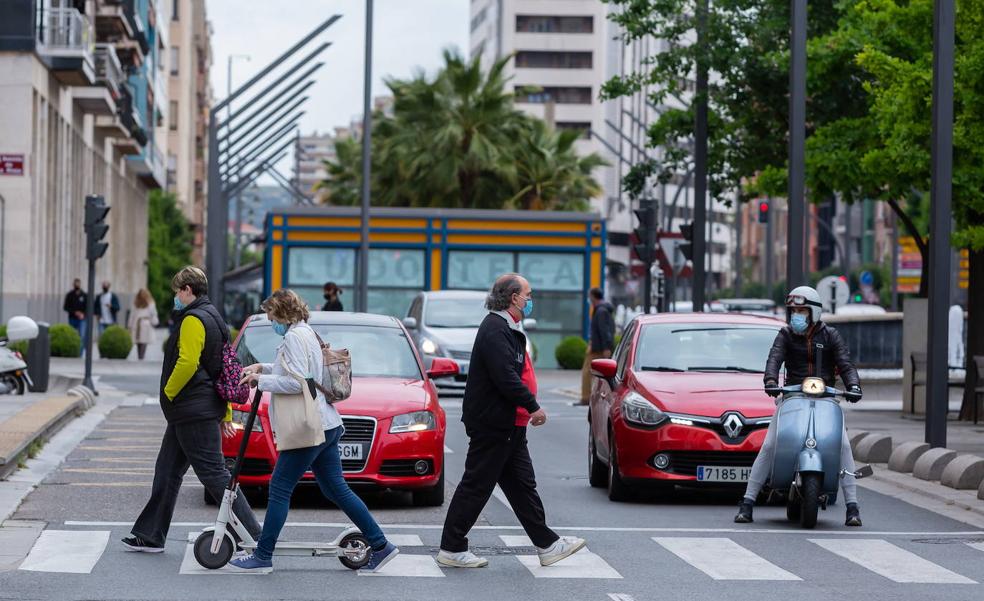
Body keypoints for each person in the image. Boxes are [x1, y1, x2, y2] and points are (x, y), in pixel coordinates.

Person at [230, 289, 398, 573]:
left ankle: (263, 555)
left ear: (282, 313)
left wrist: (261, 380)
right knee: (336, 489)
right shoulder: (306, 332)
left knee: (280, 488)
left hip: (309, 426)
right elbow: (298, 372)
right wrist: (264, 367)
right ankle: (381, 545)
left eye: (272, 315)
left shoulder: (295, 337)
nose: (271, 321)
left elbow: (297, 384)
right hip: (327, 423)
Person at [437, 273, 586, 568]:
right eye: (528, 295)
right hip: (494, 423)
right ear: (513, 297)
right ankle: (452, 548)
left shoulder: (507, 327)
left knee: (521, 485)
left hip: (509, 424)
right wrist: (533, 406)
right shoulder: (495, 329)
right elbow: (505, 377)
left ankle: (547, 544)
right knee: (476, 485)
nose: (531, 300)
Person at [122, 266, 262, 552]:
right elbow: (221, 370)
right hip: (193, 410)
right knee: (167, 470)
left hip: (191, 409)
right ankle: (151, 535)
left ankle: (256, 536)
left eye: (178, 290)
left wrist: (168, 392)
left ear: (188, 290)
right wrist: (224, 412)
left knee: (214, 474)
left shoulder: (193, 319)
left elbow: (187, 362)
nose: (176, 295)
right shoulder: (215, 317)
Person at [734, 285, 864, 527]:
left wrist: (853, 385)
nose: (797, 315)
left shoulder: (831, 335)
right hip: (791, 396)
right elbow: (774, 358)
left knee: (843, 445)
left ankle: (853, 507)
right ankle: (747, 502)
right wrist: (771, 380)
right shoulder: (785, 335)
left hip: (826, 398)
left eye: (802, 311)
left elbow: (845, 363)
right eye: (793, 310)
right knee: (771, 444)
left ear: (814, 312)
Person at [580, 288, 615, 405]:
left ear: (594, 296)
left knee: (587, 372)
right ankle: (590, 397)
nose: (589, 299)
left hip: (599, 348)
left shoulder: (601, 311)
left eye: (590, 296)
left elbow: (604, 331)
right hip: (597, 346)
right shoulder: (602, 309)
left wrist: (606, 348)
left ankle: (586, 398)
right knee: (595, 374)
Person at [127, 289, 159, 360]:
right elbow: (153, 314)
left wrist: (130, 326)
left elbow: (132, 316)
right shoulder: (149, 303)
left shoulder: (139, 303)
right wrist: (155, 322)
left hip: (139, 323)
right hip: (144, 323)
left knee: (140, 341)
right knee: (143, 341)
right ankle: (141, 357)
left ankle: (140, 356)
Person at [63, 278, 87, 350]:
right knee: (72, 335)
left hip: (82, 319)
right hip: (72, 318)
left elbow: (88, 307)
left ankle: (80, 352)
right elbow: (66, 307)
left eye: (78, 283)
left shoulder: (84, 295)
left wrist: (83, 314)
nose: (77, 285)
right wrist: (74, 312)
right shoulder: (70, 295)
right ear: (73, 284)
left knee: (82, 335)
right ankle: (73, 350)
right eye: (75, 283)